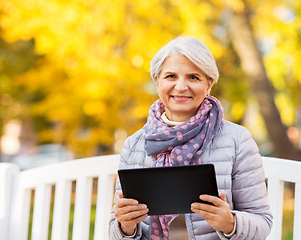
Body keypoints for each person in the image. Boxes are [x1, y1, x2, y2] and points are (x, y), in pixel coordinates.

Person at [109, 36, 273, 239]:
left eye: (193, 77)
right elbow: (114, 228)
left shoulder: (237, 140)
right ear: (157, 82)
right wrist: (125, 226)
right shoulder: (134, 145)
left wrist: (230, 223)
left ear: (209, 84)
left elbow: (262, 222)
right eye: (170, 76)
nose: (180, 86)